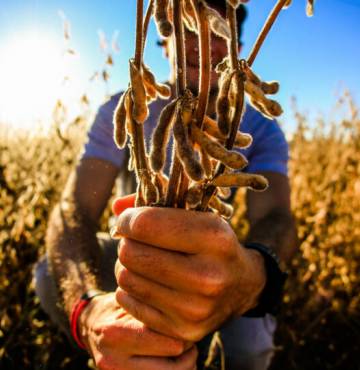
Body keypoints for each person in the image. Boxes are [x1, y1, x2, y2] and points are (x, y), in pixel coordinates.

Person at [35, 1, 297, 369]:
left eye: (218, 32)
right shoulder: (123, 108)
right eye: (188, 27)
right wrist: (89, 310)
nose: (202, 40)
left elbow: (276, 218)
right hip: (129, 255)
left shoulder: (260, 127)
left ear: (237, 46)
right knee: (50, 273)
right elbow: (72, 210)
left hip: (216, 263)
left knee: (251, 347)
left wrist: (250, 276)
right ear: (164, 38)